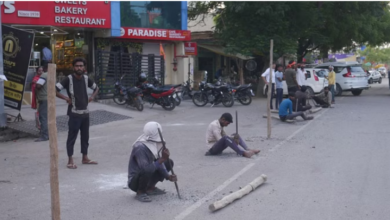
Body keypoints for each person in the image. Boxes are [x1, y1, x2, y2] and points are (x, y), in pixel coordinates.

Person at [56, 57, 99, 169]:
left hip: (85, 113)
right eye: (77, 66)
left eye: (81, 66)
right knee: (72, 137)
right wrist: (65, 98)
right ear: (73, 67)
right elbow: (55, 89)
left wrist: (92, 97)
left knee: (85, 137)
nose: (79, 68)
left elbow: (96, 88)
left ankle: (85, 158)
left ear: (84, 67)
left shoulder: (86, 78)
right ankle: (70, 160)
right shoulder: (68, 79)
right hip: (74, 114)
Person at [127, 122, 177, 203]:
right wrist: (162, 159)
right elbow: (146, 169)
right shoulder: (140, 147)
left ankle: (150, 188)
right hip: (135, 182)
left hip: (147, 173)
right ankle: (141, 192)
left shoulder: (154, 142)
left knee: (169, 162)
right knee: (149, 169)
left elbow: (158, 161)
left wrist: (168, 176)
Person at [34, 66, 49, 141]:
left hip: (43, 98)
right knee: (48, 117)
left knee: (43, 117)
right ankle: (48, 134)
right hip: (49, 98)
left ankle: (44, 136)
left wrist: (35, 83)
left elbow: (39, 86)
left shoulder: (44, 75)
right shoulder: (51, 75)